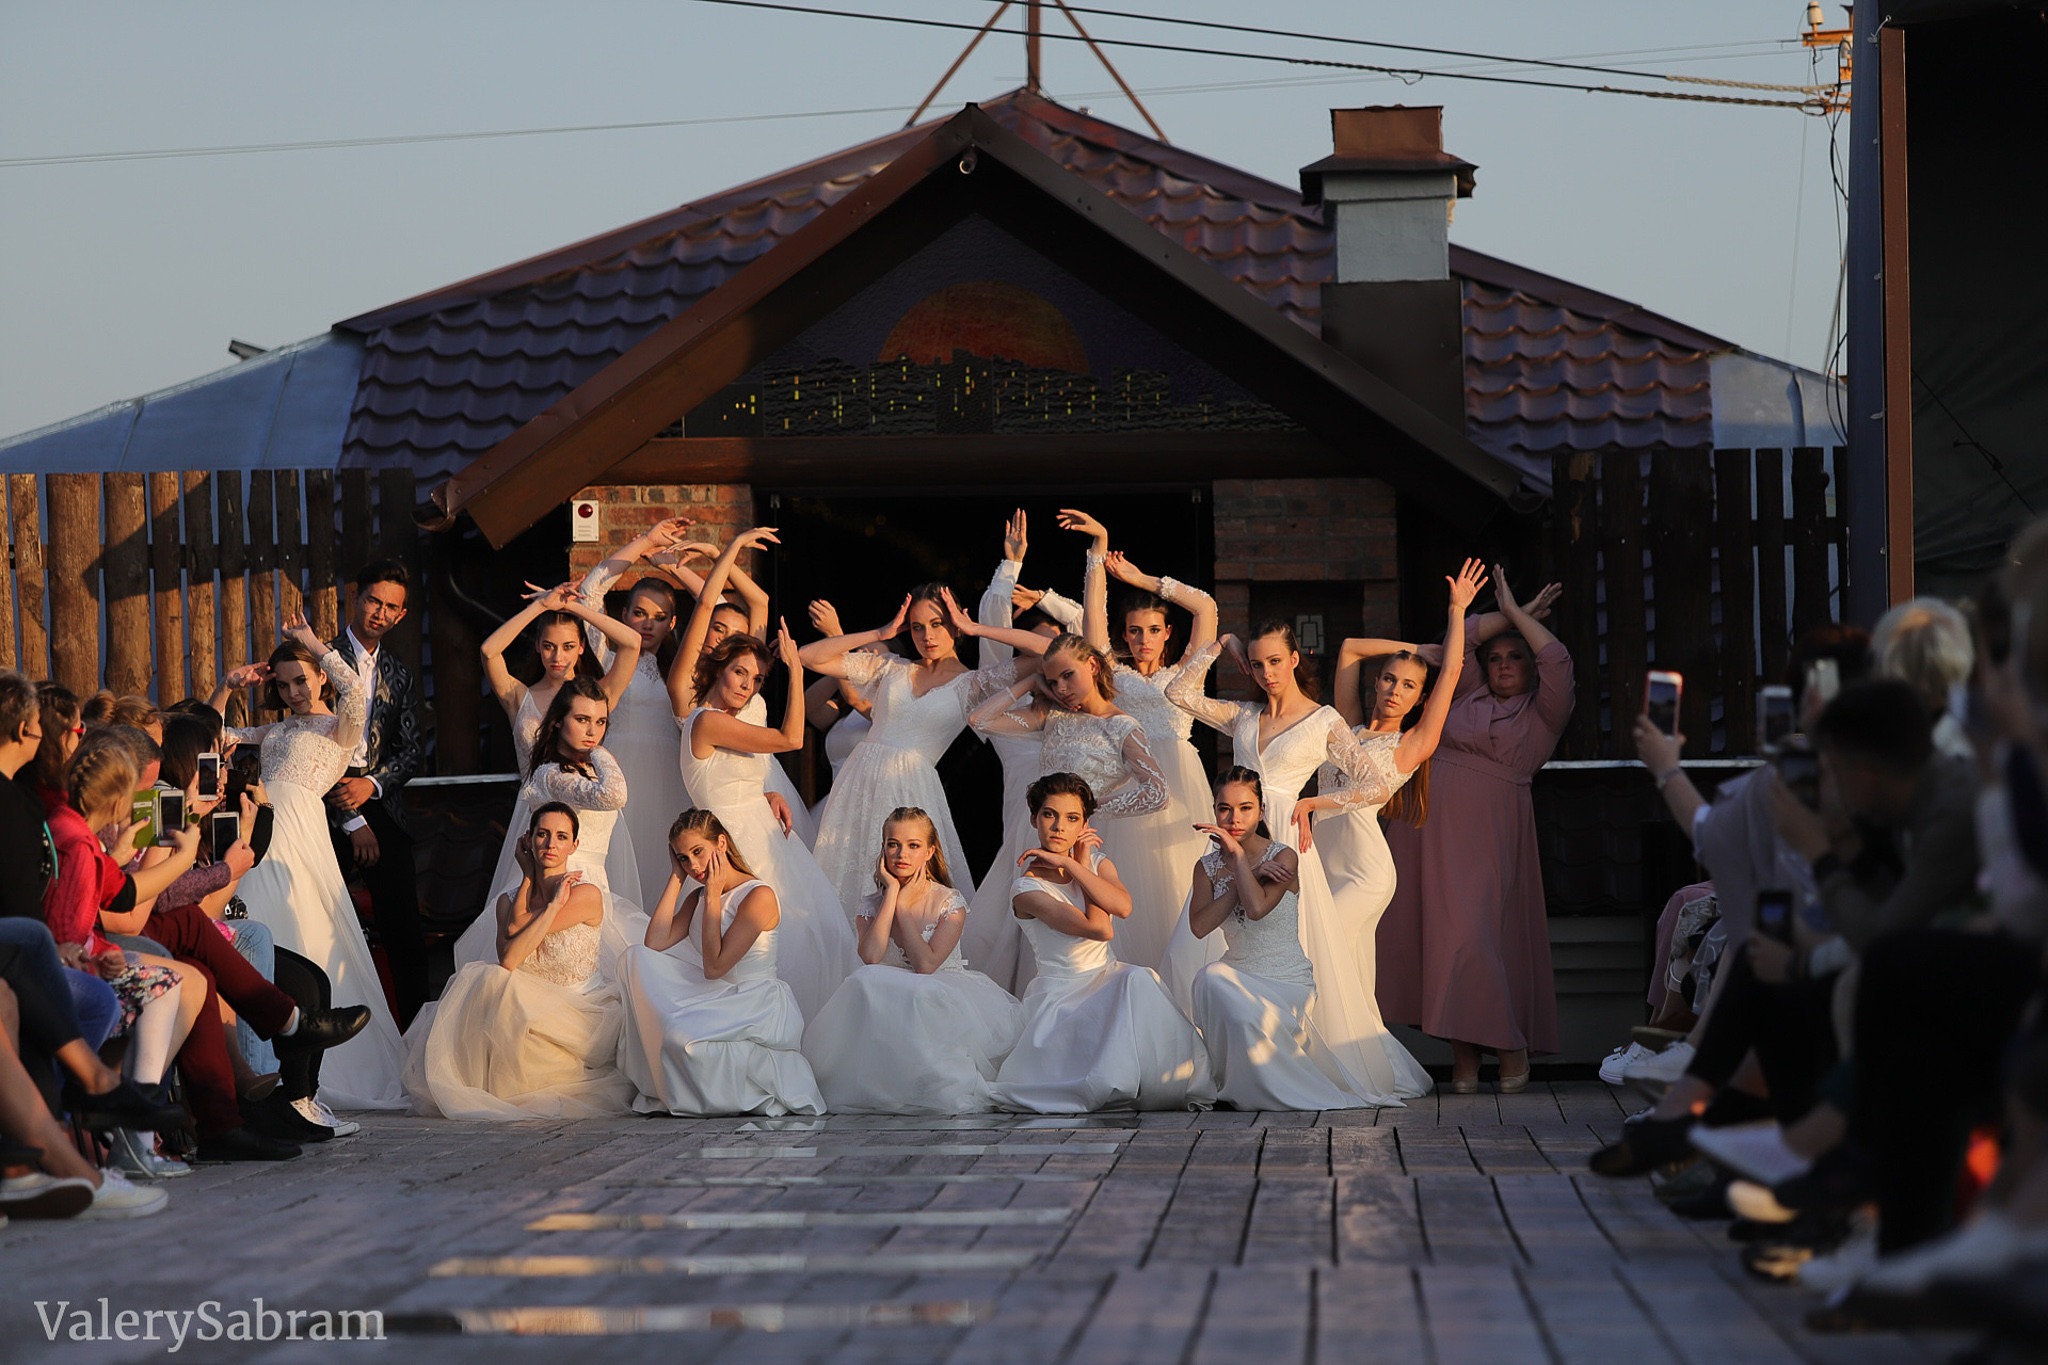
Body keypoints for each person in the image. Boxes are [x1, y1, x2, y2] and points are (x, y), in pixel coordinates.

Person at [1166, 621, 1433, 1104]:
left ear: (1294, 660)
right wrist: (1220, 646)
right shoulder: (1243, 715)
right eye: (1257, 662)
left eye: (1275, 661)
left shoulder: (1323, 720)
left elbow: (1372, 784)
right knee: (1203, 947)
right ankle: (1222, 1067)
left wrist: (1314, 804)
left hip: (1287, 836)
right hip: (1235, 838)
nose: (1267, 672)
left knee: (1289, 947)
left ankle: (1292, 1060)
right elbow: (1178, 690)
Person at [1379, 567, 1573, 1092]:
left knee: (1472, 938)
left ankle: (1510, 1047)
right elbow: (1454, 645)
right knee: (1436, 942)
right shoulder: (1464, 695)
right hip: (1423, 831)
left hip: (1486, 835)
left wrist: (1514, 615)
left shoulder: (1543, 715)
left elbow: (1557, 659)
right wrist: (1485, 615)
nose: (1504, 666)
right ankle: (1464, 1058)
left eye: (1515, 658)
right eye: (1497, 658)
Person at [1293, 561, 1484, 1080]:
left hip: (1366, 874)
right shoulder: (1346, 724)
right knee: (1344, 973)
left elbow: (1451, 674)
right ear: (1377, 684)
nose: (1397, 690)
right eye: (1390, 680)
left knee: (1317, 953)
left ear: (1419, 700)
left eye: (1409, 687)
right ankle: (1349, 1069)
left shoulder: (1412, 745)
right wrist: (1415, 649)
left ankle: (1331, 1064)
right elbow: (1352, 645)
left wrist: (1457, 613)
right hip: (1323, 863)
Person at [210, 612, 408, 1111]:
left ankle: (310, 1062)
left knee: (303, 924)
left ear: (320, 677)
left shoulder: (339, 729)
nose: (295, 692)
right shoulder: (274, 731)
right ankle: (263, 1061)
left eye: (302, 680)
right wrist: (226, 686)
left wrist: (314, 645)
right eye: (284, 685)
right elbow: (217, 737)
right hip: (263, 826)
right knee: (253, 924)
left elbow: (357, 693)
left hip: (300, 830)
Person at [802, 584, 1051, 919]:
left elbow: (1048, 652)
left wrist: (975, 628)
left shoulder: (973, 683)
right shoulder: (891, 667)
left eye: (937, 624)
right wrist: (880, 632)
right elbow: (808, 657)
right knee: (846, 877)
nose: (927, 635)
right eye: (917, 627)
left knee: (906, 883)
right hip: (859, 782)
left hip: (910, 786)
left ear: (955, 625)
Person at [989, 774, 1211, 1113]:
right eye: (1049, 814)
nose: (1059, 827)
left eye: (1072, 818)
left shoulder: (1096, 862)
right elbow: (1100, 928)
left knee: (1138, 979)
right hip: (1063, 993)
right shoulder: (1026, 888)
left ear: (1085, 824)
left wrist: (1076, 865)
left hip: (1106, 976)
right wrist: (1075, 863)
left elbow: (1122, 907)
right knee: (1132, 981)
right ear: (1034, 818)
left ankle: (1164, 1081)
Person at [673, 619, 857, 1023]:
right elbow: (792, 739)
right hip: (733, 846)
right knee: (766, 942)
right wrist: (796, 671)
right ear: (717, 669)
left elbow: (729, 774)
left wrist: (766, 794)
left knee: (814, 934)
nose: (747, 685)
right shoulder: (706, 720)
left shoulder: (729, 721)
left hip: (767, 835)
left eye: (756, 679)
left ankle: (808, 1029)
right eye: (740, 672)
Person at [963, 633, 1168, 993]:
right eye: (1054, 680)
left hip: (1080, 844)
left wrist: (1087, 811)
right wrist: (1032, 681)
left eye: (1067, 676)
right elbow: (980, 719)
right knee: (1004, 933)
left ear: (1092, 665)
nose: (1061, 688)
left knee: (1079, 940)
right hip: (1035, 837)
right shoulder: (1052, 714)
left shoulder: (1121, 727)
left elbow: (1158, 793)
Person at [404, 804, 633, 1120]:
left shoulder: (585, 895)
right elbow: (510, 957)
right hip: (524, 1017)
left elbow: (513, 949)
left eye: (561, 836)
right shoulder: (507, 902)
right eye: (542, 834)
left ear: (574, 846)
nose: (551, 845)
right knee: (487, 978)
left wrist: (554, 905)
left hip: (580, 1014)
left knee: (494, 981)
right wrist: (529, 879)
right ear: (528, 840)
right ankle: (477, 1084)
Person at [1068, 509, 1220, 970]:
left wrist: (1143, 578)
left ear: (1168, 633)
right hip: (1131, 780)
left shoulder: (1186, 671)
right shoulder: (1115, 674)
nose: (1143, 639)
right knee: (1130, 879)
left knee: (1180, 877)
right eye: (1134, 631)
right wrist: (1099, 548)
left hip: (1182, 782)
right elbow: (1094, 614)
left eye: (1153, 630)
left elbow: (1207, 607)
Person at [802, 808, 1023, 1113]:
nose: (901, 853)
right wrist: (892, 895)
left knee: (921, 994)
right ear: (883, 849)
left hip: (939, 991)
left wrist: (904, 909)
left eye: (913, 845)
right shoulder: (871, 905)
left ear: (930, 851)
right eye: (893, 844)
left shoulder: (949, 902)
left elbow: (926, 967)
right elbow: (871, 956)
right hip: (891, 994)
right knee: (862, 981)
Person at [615, 810, 825, 1117]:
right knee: (634, 959)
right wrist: (676, 876)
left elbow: (715, 966)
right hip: (711, 992)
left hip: (750, 999)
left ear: (721, 843)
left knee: (681, 1036)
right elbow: (655, 942)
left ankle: (726, 1087)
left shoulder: (758, 896)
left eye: (698, 852)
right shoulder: (697, 896)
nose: (694, 866)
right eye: (683, 858)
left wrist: (713, 898)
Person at [1189, 769, 1374, 1110]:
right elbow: (1199, 926)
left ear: (1261, 811)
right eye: (1224, 809)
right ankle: (1236, 1086)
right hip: (1237, 972)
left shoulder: (1284, 855)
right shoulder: (1206, 868)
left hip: (1284, 977)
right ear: (1214, 810)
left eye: (1245, 808)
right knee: (1208, 978)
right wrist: (1245, 872)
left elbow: (1257, 908)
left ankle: (1263, 1088)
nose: (1234, 819)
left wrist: (1243, 860)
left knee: (1216, 982)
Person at [451, 679, 650, 974]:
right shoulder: (550, 774)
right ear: (557, 722)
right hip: (557, 884)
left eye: (601, 722)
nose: (593, 731)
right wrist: (602, 753)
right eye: (582, 720)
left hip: (593, 887)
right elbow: (615, 796)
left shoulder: (593, 772)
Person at [477, 580, 646, 924]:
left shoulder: (596, 697)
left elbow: (632, 643)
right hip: (537, 814)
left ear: (581, 647)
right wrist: (540, 607)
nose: (558, 656)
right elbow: (489, 652)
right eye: (549, 646)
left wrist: (574, 607)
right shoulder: (518, 695)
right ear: (538, 647)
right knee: (527, 912)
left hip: (589, 810)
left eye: (568, 646)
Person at [661, 528, 817, 848]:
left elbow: (760, 601)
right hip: (722, 799)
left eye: (756, 679)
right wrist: (732, 546)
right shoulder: (687, 688)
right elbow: (705, 604)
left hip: (761, 785)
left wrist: (718, 554)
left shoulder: (745, 672)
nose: (749, 684)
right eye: (719, 631)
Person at [578, 515, 708, 895]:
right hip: (620, 771)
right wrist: (644, 542)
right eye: (639, 613)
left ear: (672, 624)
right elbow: (589, 591)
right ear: (623, 615)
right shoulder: (610, 655)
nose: (648, 624)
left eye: (659, 617)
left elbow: (712, 603)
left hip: (672, 772)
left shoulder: (685, 663)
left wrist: (673, 567)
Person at [325, 560, 429, 1027]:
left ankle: (414, 1035)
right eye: (374, 601)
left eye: (392, 607)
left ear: (401, 616)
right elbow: (300, 740)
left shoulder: (400, 674)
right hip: (321, 805)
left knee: (406, 929)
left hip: (381, 801)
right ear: (356, 597)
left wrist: (372, 785)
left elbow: (412, 751)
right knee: (324, 924)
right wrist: (351, 815)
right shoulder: (318, 661)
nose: (380, 613)